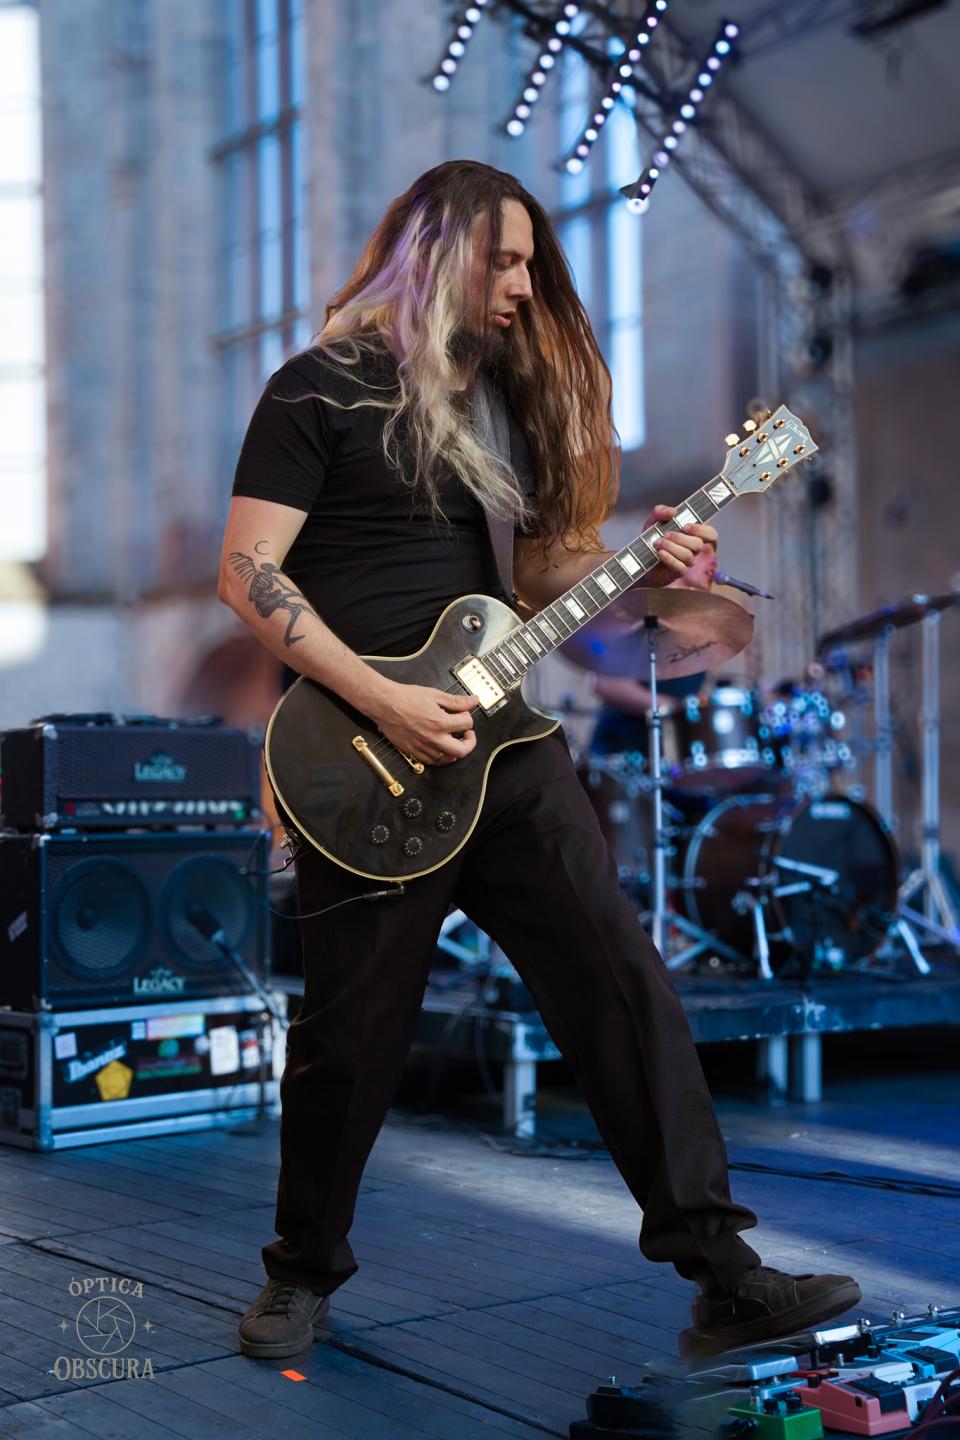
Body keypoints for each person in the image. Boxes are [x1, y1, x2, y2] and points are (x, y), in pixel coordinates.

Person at [217, 160, 860, 1362]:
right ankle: (300, 1274)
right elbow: (247, 573)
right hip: (364, 753)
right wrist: (385, 702)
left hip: (509, 753)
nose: (521, 284)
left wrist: (653, 565)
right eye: (501, 260)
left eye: (528, 263)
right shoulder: (317, 388)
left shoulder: (503, 403)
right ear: (433, 254)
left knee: (624, 987)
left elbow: (543, 574)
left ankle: (725, 1276)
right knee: (353, 1039)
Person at [590, 536, 718, 757]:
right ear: (677, 555)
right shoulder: (641, 611)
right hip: (624, 755)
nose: (714, 561)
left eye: (715, 554)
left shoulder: (696, 624)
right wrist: (674, 708)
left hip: (670, 756)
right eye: (705, 552)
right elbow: (605, 683)